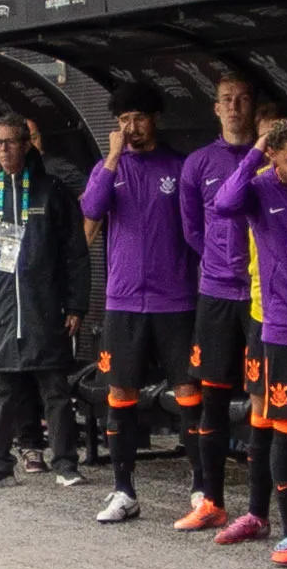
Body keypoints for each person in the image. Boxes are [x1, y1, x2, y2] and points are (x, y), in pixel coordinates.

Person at [0, 114, 88, 490]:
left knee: (55, 390)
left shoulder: (52, 191)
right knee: (1, 392)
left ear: (27, 144)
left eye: (12, 142)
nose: (5, 149)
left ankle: (66, 463)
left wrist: (76, 305)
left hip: (45, 307)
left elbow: (75, 253)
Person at [79, 84, 198, 524]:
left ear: (155, 120)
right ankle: (123, 490)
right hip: (123, 301)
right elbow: (90, 209)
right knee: (120, 393)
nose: (131, 127)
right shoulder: (109, 167)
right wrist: (111, 159)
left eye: (139, 118)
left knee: (187, 392)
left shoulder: (179, 167)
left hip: (175, 300)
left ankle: (201, 486)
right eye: (124, 120)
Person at [213, 117, 287, 565]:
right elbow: (223, 203)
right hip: (272, 316)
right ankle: (260, 513)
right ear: (273, 155)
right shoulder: (258, 184)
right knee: (268, 415)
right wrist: (256, 151)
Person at [180, 75, 266, 534]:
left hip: (262, 297)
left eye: (243, 98)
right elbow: (192, 229)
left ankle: (265, 504)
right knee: (211, 398)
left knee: (266, 402)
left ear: (253, 106)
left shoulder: (272, 156)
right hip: (215, 293)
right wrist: (219, 260)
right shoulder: (198, 163)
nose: (234, 107)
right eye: (226, 100)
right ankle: (211, 498)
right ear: (216, 109)